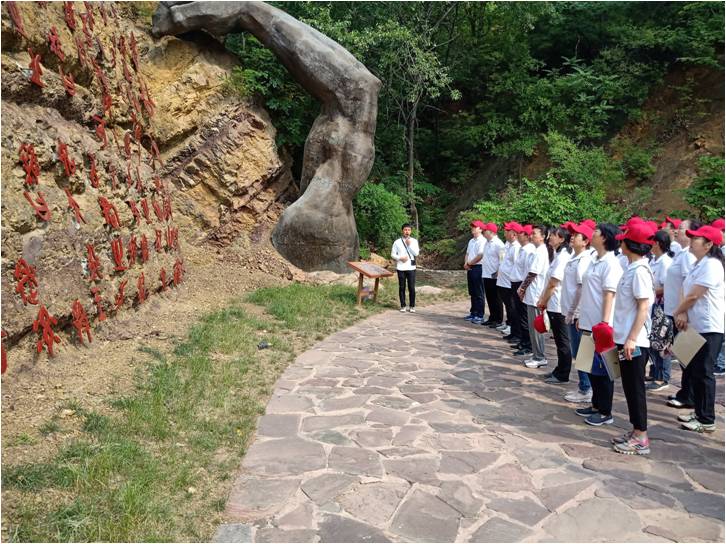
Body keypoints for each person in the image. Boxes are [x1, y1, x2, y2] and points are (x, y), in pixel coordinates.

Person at [672, 225, 725, 433]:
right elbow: (685, 289)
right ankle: (698, 410)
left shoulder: (712, 265)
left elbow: (695, 295)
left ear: (709, 244)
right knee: (694, 370)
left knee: (704, 372)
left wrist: (678, 312)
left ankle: (707, 419)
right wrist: (682, 313)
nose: (691, 241)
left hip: (708, 326)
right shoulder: (698, 264)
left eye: (696, 238)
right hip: (694, 324)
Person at [611, 223, 656, 455]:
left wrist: (631, 338)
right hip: (625, 338)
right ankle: (636, 430)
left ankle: (641, 437)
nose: (620, 242)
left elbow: (643, 307)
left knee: (635, 387)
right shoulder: (633, 268)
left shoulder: (639, 271)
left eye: (623, 240)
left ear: (630, 244)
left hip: (634, 342)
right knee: (629, 386)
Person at [575, 223, 623, 426]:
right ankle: (595, 404)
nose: (591, 234)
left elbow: (609, 295)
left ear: (604, 237)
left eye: (595, 232)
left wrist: (604, 323)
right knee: (588, 365)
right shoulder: (595, 260)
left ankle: (605, 411)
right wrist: (580, 315)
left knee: (603, 369)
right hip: (588, 321)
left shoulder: (611, 263)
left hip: (601, 325)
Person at [664, 220, 699, 409]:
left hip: (682, 314)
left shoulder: (688, 256)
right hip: (675, 311)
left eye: (681, 228)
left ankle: (689, 395)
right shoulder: (682, 252)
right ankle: (685, 392)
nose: (677, 231)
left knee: (687, 357)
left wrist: (682, 311)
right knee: (683, 356)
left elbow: (688, 284)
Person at [562, 222, 595, 403]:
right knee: (578, 352)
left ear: (586, 241)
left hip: (577, 314)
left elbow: (582, 289)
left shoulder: (584, 260)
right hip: (571, 311)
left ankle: (586, 388)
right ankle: (585, 386)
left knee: (581, 353)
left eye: (576, 235)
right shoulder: (574, 257)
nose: (572, 237)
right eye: (572, 234)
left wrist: (575, 312)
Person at [538, 226, 573, 383]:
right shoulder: (558, 254)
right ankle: (559, 369)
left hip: (558, 304)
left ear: (562, 239)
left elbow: (553, 283)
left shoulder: (563, 257)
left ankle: (563, 373)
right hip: (553, 303)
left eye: (553, 235)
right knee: (559, 340)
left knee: (562, 340)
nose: (549, 238)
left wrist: (543, 300)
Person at [518, 225, 551, 368]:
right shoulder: (536, 251)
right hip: (532, 294)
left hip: (536, 294)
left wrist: (522, 288)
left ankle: (540, 356)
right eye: (531, 233)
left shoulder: (541, 252)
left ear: (543, 236)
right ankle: (536, 353)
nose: (531, 236)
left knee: (537, 327)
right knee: (533, 326)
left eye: (535, 234)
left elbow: (533, 273)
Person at [646, 229, 674, 390]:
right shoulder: (654, 261)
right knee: (653, 340)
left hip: (661, 307)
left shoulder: (665, 262)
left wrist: (649, 293)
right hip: (653, 305)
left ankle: (662, 377)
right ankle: (655, 372)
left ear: (657, 243)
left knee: (661, 341)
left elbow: (666, 287)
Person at [510, 225, 535, 356]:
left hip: (522, 284)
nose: (517, 235)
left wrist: (523, 287)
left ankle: (527, 345)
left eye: (520, 233)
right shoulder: (523, 249)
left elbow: (529, 272)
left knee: (524, 316)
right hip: (517, 284)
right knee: (519, 314)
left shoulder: (529, 250)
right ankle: (523, 340)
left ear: (526, 236)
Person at [497, 223, 522, 342]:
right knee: (509, 307)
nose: (505, 233)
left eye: (507, 231)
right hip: (505, 282)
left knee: (513, 308)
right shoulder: (510, 246)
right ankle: (513, 330)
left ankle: (516, 332)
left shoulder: (516, 247)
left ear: (514, 234)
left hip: (510, 282)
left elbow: (517, 266)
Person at [391, 223, 419, 313]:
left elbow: (416, 253)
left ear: (411, 231)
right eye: (405, 230)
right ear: (402, 231)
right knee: (402, 287)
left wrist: (409, 245)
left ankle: (412, 306)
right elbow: (392, 254)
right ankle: (403, 305)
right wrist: (400, 258)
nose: (407, 231)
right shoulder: (397, 242)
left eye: (409, 230)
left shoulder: (414, 241)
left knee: (412, 287)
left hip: (411, 267)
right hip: (400, 267)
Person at [482, 223, 505, 328]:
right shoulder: (486, 243)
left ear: (491, 232)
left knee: (496, 298)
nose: (484, 232)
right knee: (490, 297)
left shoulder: (498, 244)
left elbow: (502, 260)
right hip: (486, 274)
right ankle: (492, 317)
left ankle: (498, 319)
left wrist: (498, 273)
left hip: (494, 275)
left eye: (485, 230)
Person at [464, 221, 487, 324]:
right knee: (472, 291)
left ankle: (480, 314)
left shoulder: (482, 241)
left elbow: (480, 255)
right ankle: (473, 312)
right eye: (472, 226)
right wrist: (466, 263)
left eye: (475, 227)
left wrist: (470, 263)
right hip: (470, 266)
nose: (472, 228)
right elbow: (467, 253)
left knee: (479, 292)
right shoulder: (471, 241)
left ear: (480, 229)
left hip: (478, 267)